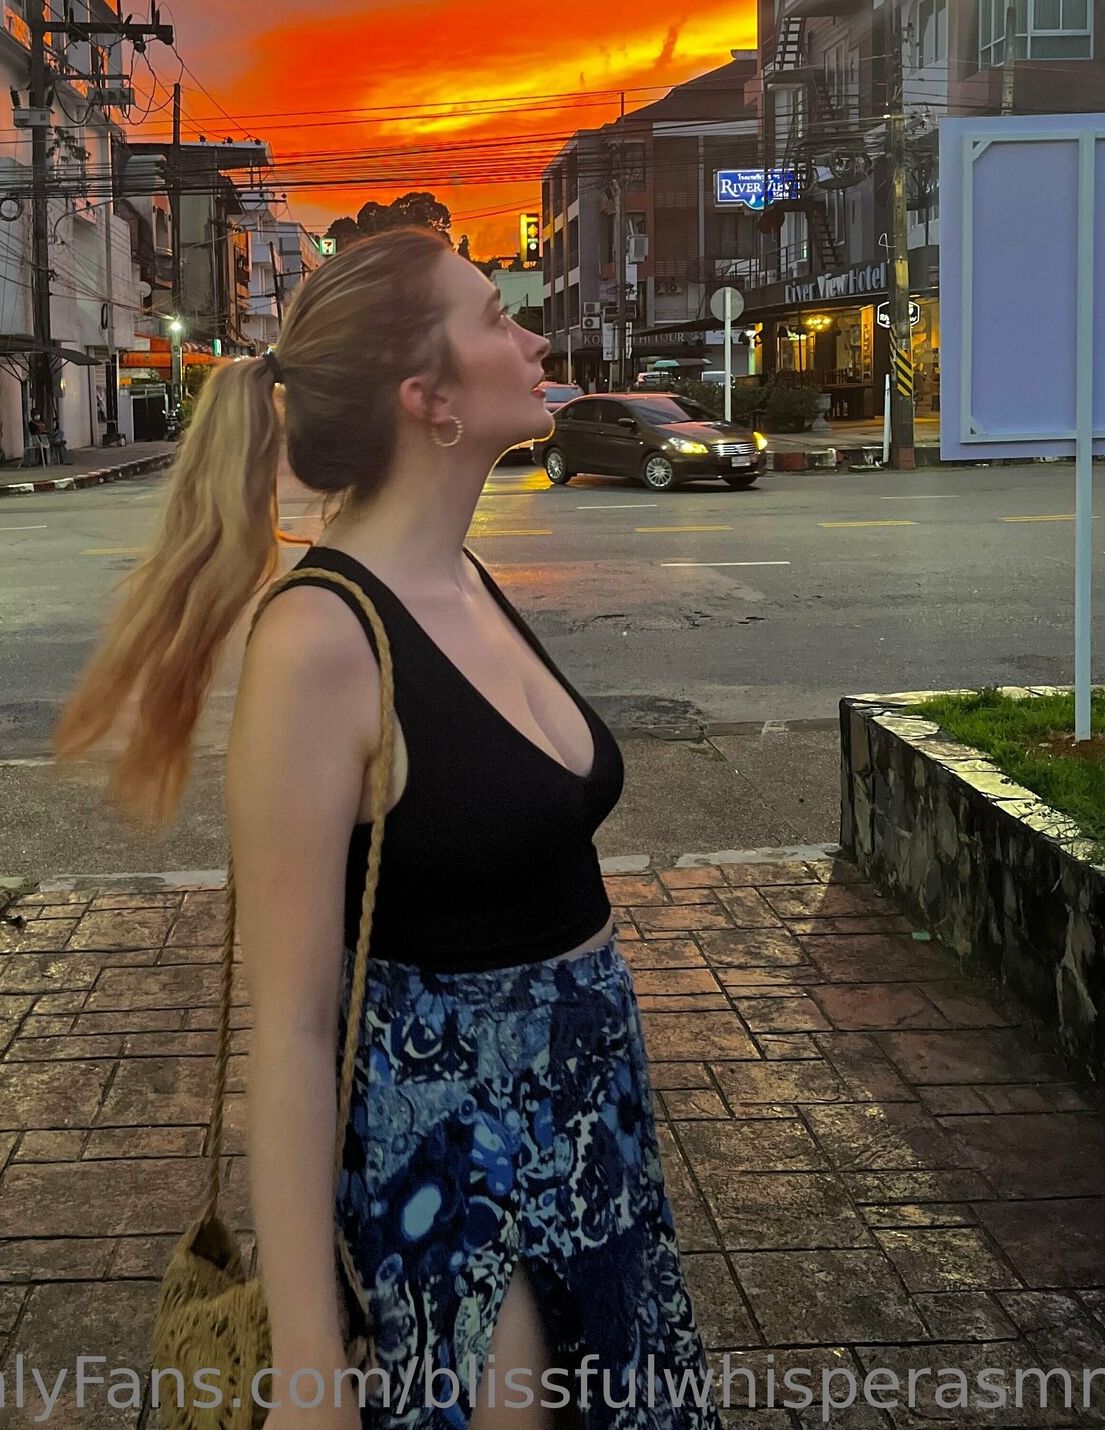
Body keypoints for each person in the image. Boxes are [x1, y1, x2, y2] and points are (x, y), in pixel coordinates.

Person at [58, 228, 719, 1430]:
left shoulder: (461, 577)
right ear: (429, 398)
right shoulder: (320, 640)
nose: (533, 337)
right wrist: (310, 1366)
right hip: (461, 1173)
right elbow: (293, 1030)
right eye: (495, 317)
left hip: (594, 1136)